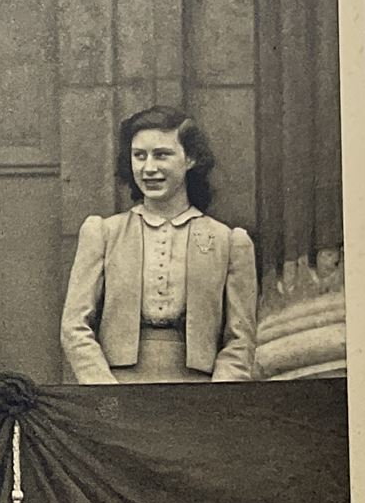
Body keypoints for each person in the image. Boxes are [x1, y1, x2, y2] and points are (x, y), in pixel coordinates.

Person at [59, 106, 258, 383]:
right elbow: (74, 326)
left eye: (162, 155)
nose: (149, 168)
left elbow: (240, 339)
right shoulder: (103, 233)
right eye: (139, 156)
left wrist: (218, 398)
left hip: (198, 394)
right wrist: (105, 390)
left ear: (190, 158)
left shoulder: (230, 242)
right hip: (117, 388)